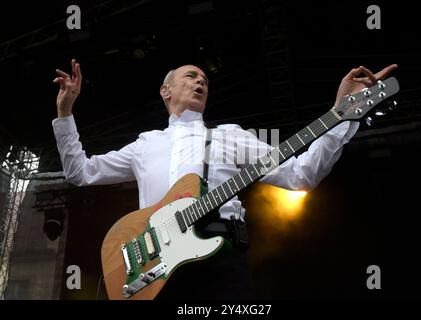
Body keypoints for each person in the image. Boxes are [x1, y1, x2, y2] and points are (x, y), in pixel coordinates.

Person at [52, 60, 397, 299]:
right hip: (153, 271)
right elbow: (80, 172)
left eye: (205, 79)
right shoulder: (146, 144)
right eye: (190, 76)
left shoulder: (231, 137)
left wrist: (341, 115)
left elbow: (300, 175)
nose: (200, 81)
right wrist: (66, 112)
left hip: (219, 265)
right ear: (165, 90)